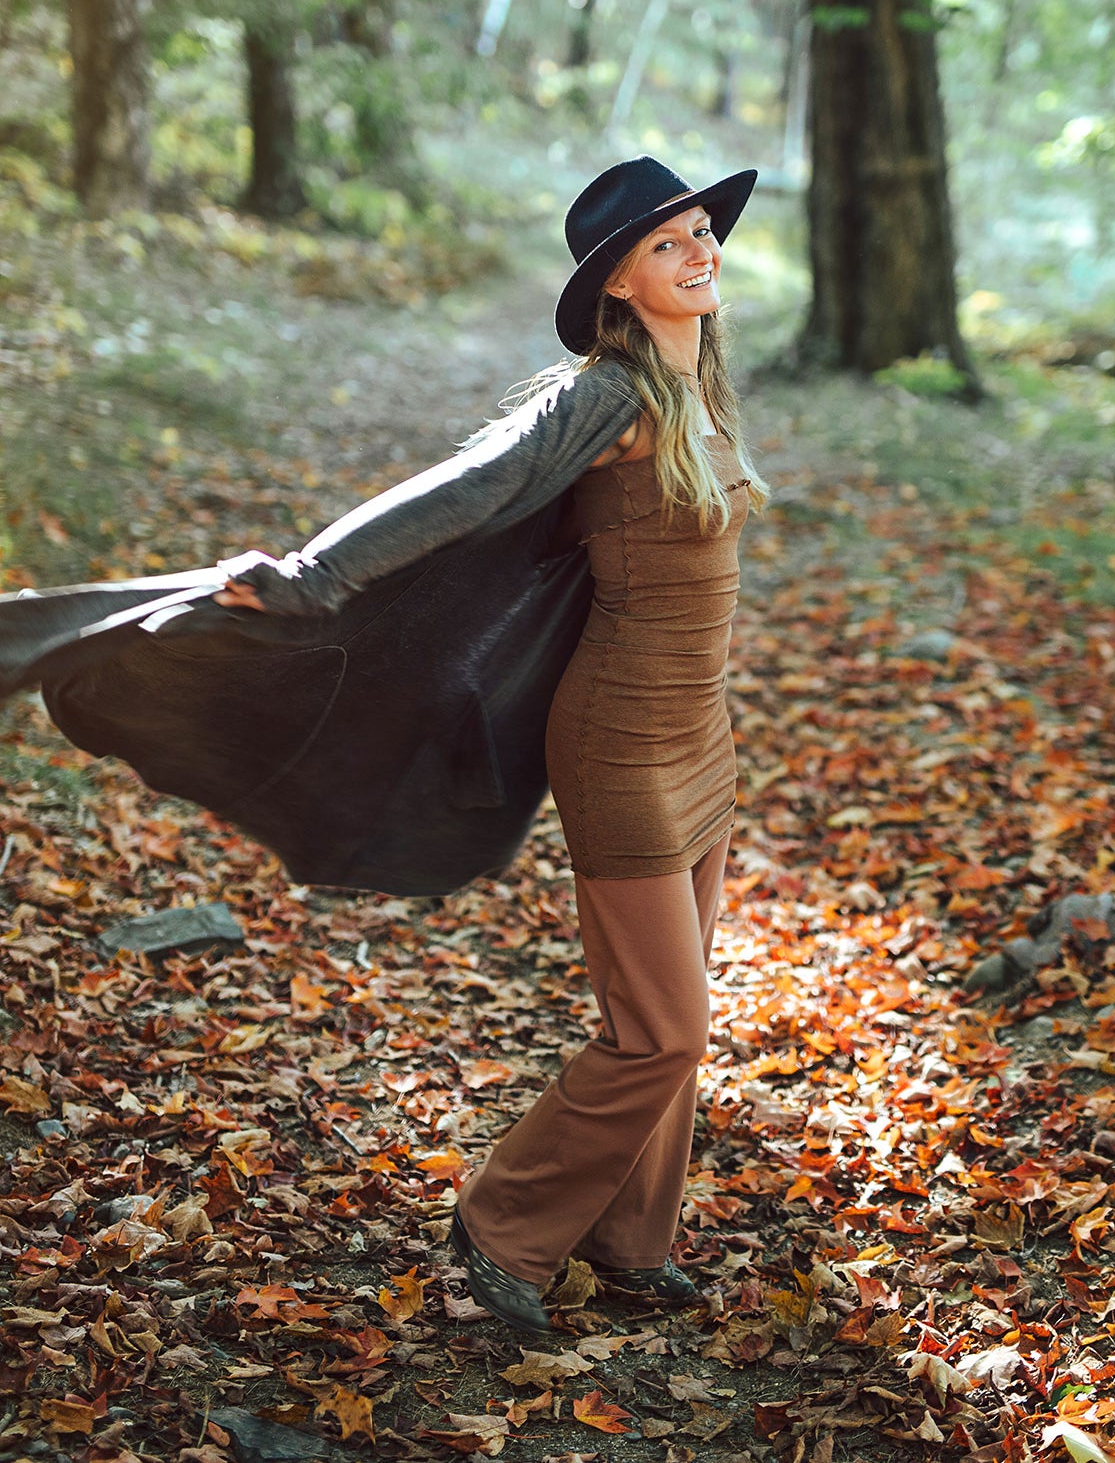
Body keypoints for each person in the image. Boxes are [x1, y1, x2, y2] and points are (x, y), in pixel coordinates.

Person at [213, 155, 766, 1336]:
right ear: (617, 284)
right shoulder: (605, 398)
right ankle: (501, 1223)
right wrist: (313, 574)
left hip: (702, 738)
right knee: (666, 1026)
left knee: (666, 1008)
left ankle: (628, 1237)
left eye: (702, 231)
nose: (701, 250)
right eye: (669, 243)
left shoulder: (701, 384)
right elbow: (466, 487)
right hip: (618, 738)